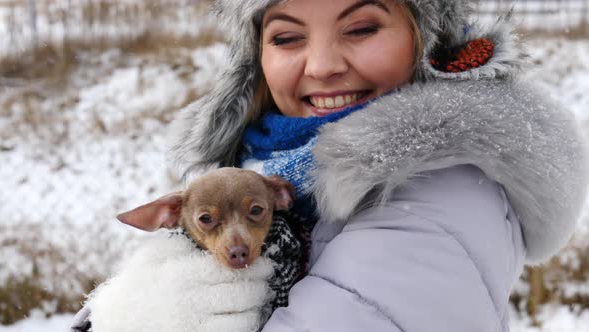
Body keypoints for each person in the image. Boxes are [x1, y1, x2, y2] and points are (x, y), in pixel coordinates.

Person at [72, 0, 588, 331]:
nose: (321, 65)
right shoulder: (273, 168)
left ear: (427, 41)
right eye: (286, 37)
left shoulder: (439, 192)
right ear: (254, 61)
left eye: (361, 27)